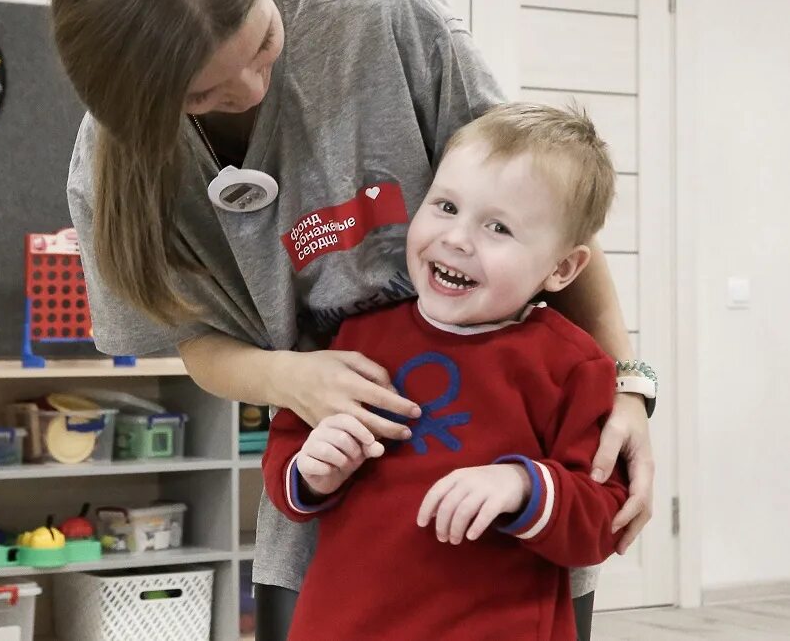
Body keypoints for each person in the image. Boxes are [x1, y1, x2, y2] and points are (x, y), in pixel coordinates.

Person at [50, 0, 657, 641]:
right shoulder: (108, 163)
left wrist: (628, 389)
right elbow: (190, 342)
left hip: (511, 579)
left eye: (263, 43)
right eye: (202, 95)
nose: (249, 89)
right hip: (337, 552)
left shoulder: (384, 20)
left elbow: (544, 198)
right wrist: (288, 379)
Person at [263, 103, 630, 639]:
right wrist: (312, 470)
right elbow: (288, 450)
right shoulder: (360, 339)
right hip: (343, 623)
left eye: (498, 227)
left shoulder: (573, 367)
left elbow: (603, 519)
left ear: (562, 268)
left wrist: (522, 486)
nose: (457, 238)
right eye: (445, 206)